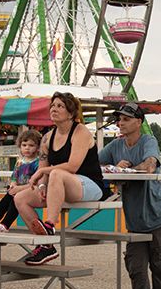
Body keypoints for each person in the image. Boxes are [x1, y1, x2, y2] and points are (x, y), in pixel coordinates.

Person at [99, 103, 161, 289]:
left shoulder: (147, 141)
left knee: (159, 269)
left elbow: (150, 164)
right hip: (135, 221)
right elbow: (92, 165)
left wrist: (128, 166)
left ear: (138, 122)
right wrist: (112, 167)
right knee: (137, 270)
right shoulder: (115, 145)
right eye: (118, 119)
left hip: (159, 217)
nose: (120, 123)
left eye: (125, 119)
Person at [13, 91, 109, 266]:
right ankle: (46, 245)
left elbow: (72, 166)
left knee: (56, 173)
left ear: (71, 113)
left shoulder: (80, 131)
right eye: (52, 105)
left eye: (60, 106)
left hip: (89, 184)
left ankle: (50, 225)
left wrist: (44, 173)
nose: (54, 109)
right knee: (20, 198)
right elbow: (43, 167)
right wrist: (42, 187)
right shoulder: (48, 137)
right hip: (60, 184)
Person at [0, 128, 41, 233]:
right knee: (2, 205)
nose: (27, 148)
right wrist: (13, 185)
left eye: (31, 145)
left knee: (15, 203)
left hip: (28, 191)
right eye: (24, 145)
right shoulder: (20, 161)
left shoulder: (37, 163)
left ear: (38, 148)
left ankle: (5, 225)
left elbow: (36, 182)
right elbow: (14, 176)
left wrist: (18, 189)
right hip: (17, 189)